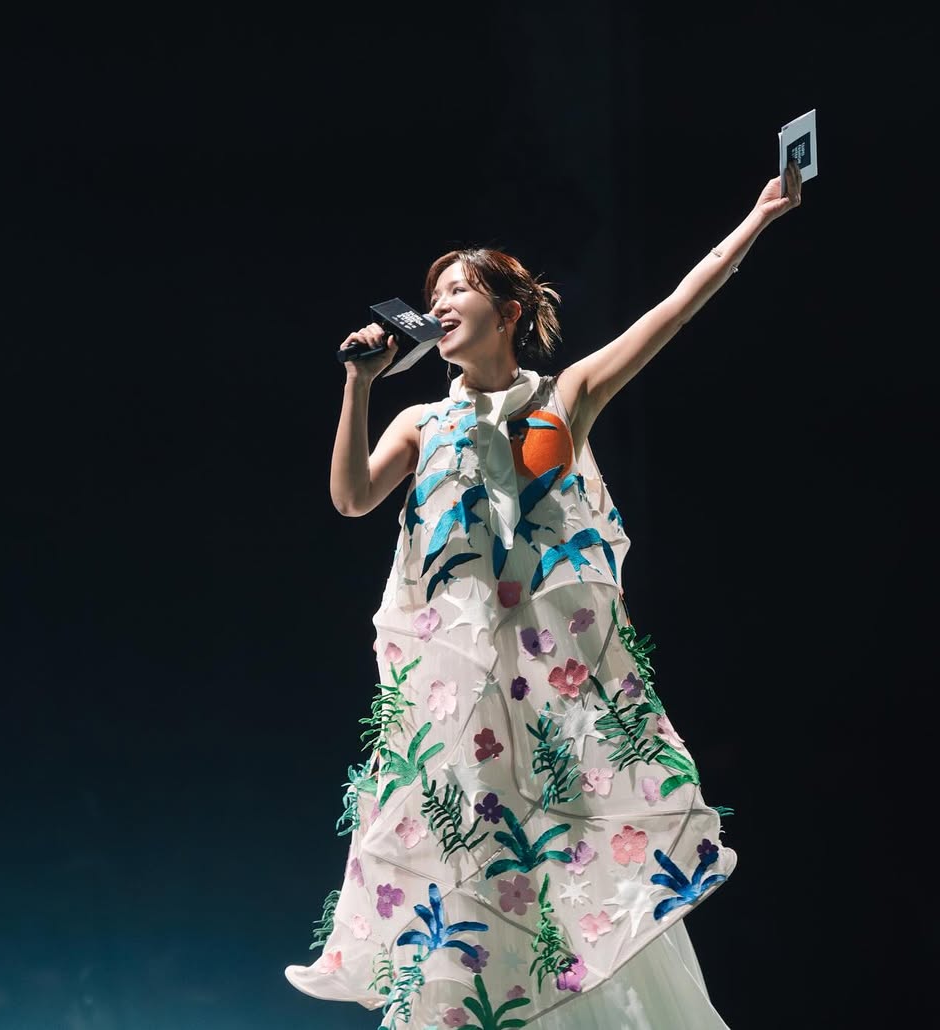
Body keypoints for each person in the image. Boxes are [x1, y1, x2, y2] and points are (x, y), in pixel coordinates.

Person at [285, 161, 803, 1029]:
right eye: (434, 296)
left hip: (546, 690)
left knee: (568, 866)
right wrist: (359, 384)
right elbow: (351, 498)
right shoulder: (422, 422)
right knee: (468, 868)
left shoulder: (566, 398)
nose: (441, 304)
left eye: (459, 290)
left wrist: (757, 218)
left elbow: (675, 308)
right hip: (456, 692)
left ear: (509, 312)